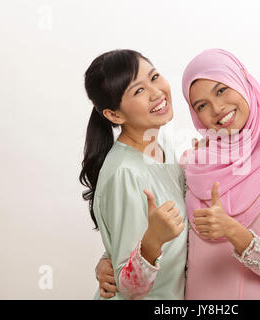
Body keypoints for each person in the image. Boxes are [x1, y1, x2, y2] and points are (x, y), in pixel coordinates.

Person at [96, 48, 260, 300]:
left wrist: (232, 230)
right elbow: (152, 226)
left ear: (242, 82)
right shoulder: (192, 164)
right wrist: (111, 261)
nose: (217, 109)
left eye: (221, 89)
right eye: (201, 105)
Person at [80, 49, 187, 300]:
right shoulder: (125, 173)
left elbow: (124, 247)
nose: (156, 92)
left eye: (154, 77)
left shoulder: (164, 147)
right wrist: (153, 241)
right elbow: (128, 288)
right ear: (114, 115)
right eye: (138, 91)